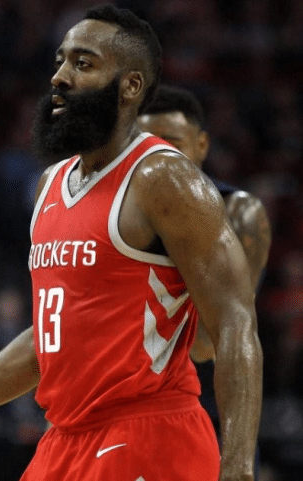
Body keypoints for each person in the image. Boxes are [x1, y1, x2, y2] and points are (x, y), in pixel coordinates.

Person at [0, 5, 262, 481]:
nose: (59, 76)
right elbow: (47, 341)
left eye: (83, 63)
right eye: (60, 60)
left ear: (130, 86)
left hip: (147, 432)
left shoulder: (163, 177)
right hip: (64, 439)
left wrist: (239, 468)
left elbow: (235, 321)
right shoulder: (49, 185)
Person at [137, 84, 272, 479]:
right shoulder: (118, 214)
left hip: (208, 413)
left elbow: (203, 346)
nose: (158, 158)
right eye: (146, 145)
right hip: (123, 410)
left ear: (201, 145)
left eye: (172, 143)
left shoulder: (239, 212)